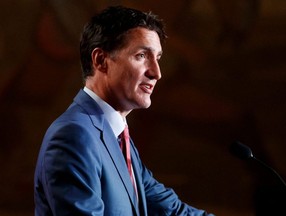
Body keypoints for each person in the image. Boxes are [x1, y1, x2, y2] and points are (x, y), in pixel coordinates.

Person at [34, 5, 214, 216]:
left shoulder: (117, 136)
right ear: (101, 60)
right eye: (141, 56)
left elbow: (172, 210)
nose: (156, 73)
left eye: (158, 58)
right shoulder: (74, 135)